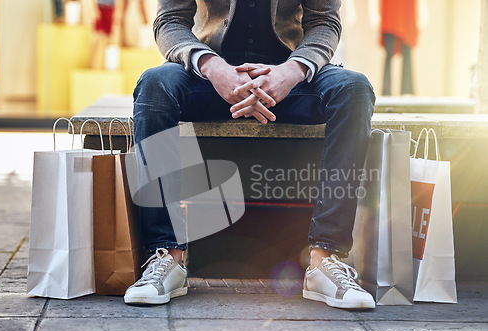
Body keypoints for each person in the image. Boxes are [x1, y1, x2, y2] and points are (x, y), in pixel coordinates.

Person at [124, 0, 376, 309]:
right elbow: (169, 21)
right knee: (154, 85)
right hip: (208, 74)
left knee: (354, 90)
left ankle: (325, 259)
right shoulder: (208, 67)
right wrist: (211, 66)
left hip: (289, 74)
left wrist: (291, 71)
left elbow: (325, 22)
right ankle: (166, 257)